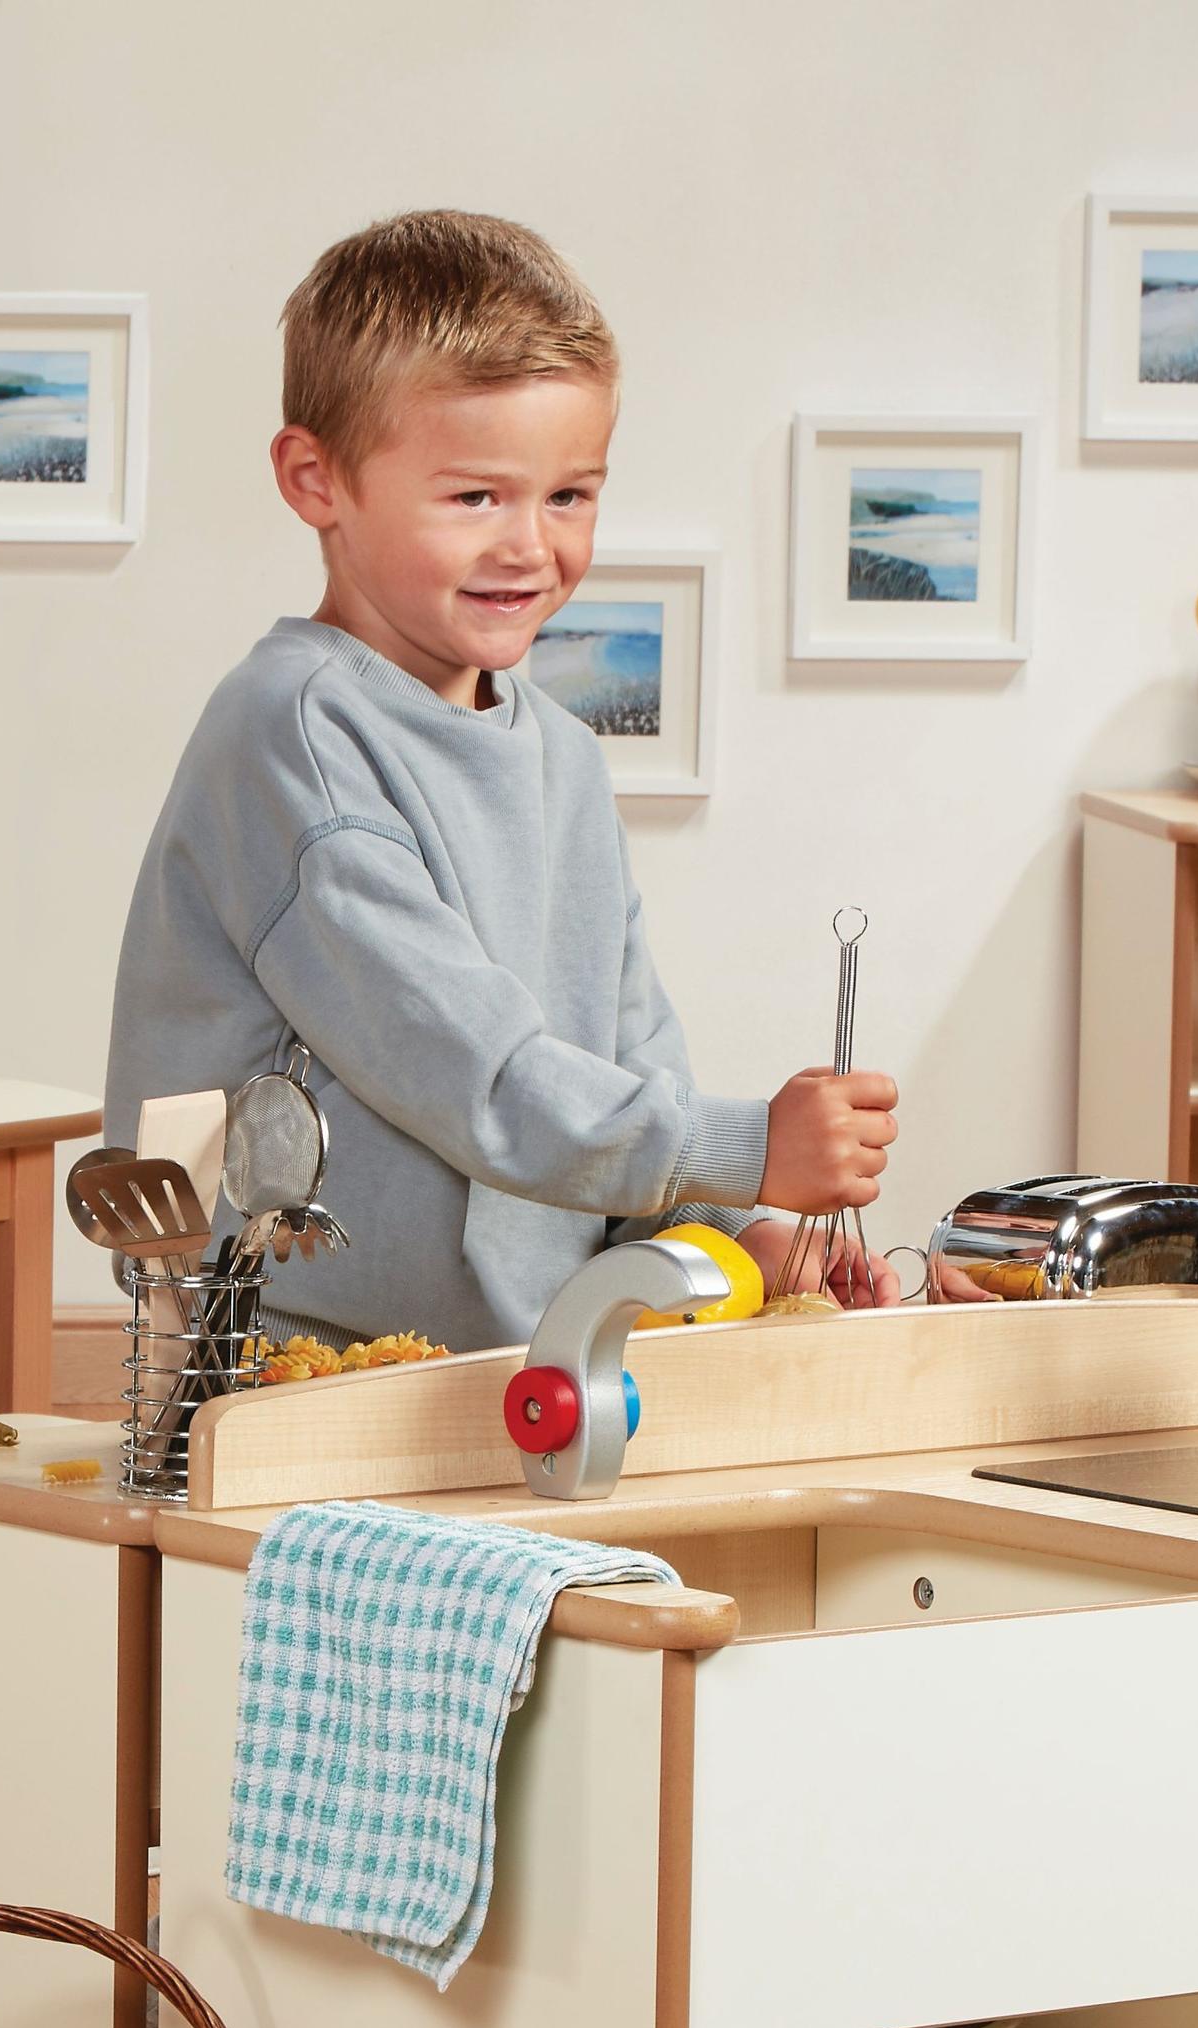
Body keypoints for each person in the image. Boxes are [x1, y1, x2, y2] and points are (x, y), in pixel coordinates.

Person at [103, 208, 908, 1359]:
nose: (531, 545)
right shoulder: (292, 735)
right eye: (476, 498)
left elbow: (630, 1068)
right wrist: (743, 1147)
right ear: (316, 481)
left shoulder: (564, 759)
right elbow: (468, 1069)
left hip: (531, 1350)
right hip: (292, 1355)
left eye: (569, 496)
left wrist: (754, 1234)